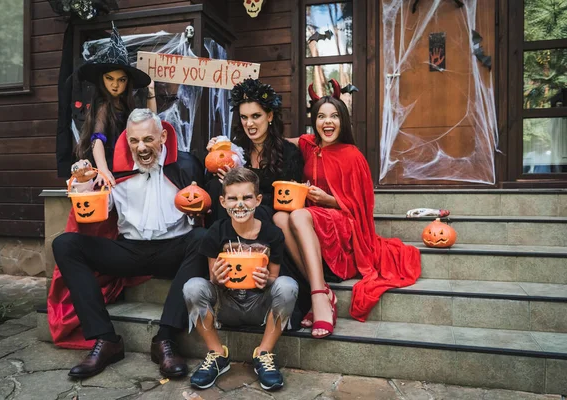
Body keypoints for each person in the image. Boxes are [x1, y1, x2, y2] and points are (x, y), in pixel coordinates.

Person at [52, 108, 206, 379]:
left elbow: (203, 208)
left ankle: (165, 339)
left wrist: (202, 209)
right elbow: (96, 208)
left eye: (148, 139)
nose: (141, 147)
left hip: (174, 249)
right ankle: (106, 339)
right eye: (134, 141)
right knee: (65, 245)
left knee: (202, 240)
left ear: (163, 137)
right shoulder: (114, 171)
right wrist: (83, 187)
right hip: (130, 251)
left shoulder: (186, 165)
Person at [274, 81, 421, 338]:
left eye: (334, 116)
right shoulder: (310, 145)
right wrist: (234, 148)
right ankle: (322, 289)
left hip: (343, 223)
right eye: (321, 116)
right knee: (278, 217)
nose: (327, 122)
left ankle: (318, 296)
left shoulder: (353, 155)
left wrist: (329, 200)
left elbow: (362, 206)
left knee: (296, 214)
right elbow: (280, 139)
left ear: (343, 121)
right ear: (314, 122)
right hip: (313, 222)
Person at [183, 167, 298, 391]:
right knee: (192, 287)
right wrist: (216, 277)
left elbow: (274, 277)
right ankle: (217, 354)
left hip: (259, 306)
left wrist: (268, 279)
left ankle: (264, 353)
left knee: (287, 285)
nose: (240, 204)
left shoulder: (273, 234)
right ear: (223, 202)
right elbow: (213, 280)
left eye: (247, 197)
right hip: (226, 305)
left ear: (257, 200)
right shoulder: (216, 232)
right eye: (233, 198)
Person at [205, 79, 304, 224]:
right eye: (244, 117)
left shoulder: (288, 153)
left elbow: (286, 199)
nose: (249, 123)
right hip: (231, 216)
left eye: (255, 116)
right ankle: (224, 242)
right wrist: (213, 158)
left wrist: (241, 183)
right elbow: (211, 187)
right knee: (217, 186)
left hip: (267, 220)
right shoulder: (234, 150)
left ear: (269, 116)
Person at [74, 23, 157, 187]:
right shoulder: (103, 104)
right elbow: (96, 140)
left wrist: (151, 92)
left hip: (126, 165)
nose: (115, 85)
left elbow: (151, 123)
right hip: (109, 167)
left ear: (128, 82)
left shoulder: (127, 105)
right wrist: (104, 170)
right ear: (102, 80)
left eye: (121, 80)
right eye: (109, 78)